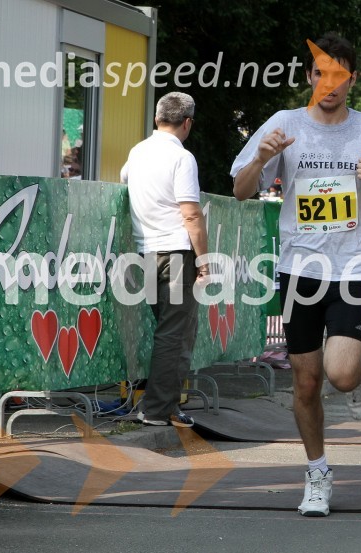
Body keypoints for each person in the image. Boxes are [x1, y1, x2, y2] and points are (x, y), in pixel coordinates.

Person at [229, 33, 361, 517]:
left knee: (340, 374)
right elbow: (240, 191)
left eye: (340, 74)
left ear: (352, 80)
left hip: (349, 266)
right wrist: (262, 157)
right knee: (304, 384)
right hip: (299, 268)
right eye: (321, 72)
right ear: (309, 76)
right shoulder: (284, 124)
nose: (330, 83)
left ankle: (359, 378)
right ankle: (317, 471)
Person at [120, 91, 209, 428]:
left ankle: (165, 405)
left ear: (157, 118)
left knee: (169, 331)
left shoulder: (138, 151)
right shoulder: (182, 158)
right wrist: (204, 260)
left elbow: (125, 178)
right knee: (176, 332)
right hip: (175, 253)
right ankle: (157, 410)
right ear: (187, 123)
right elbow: (191, 214)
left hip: (146, 252)